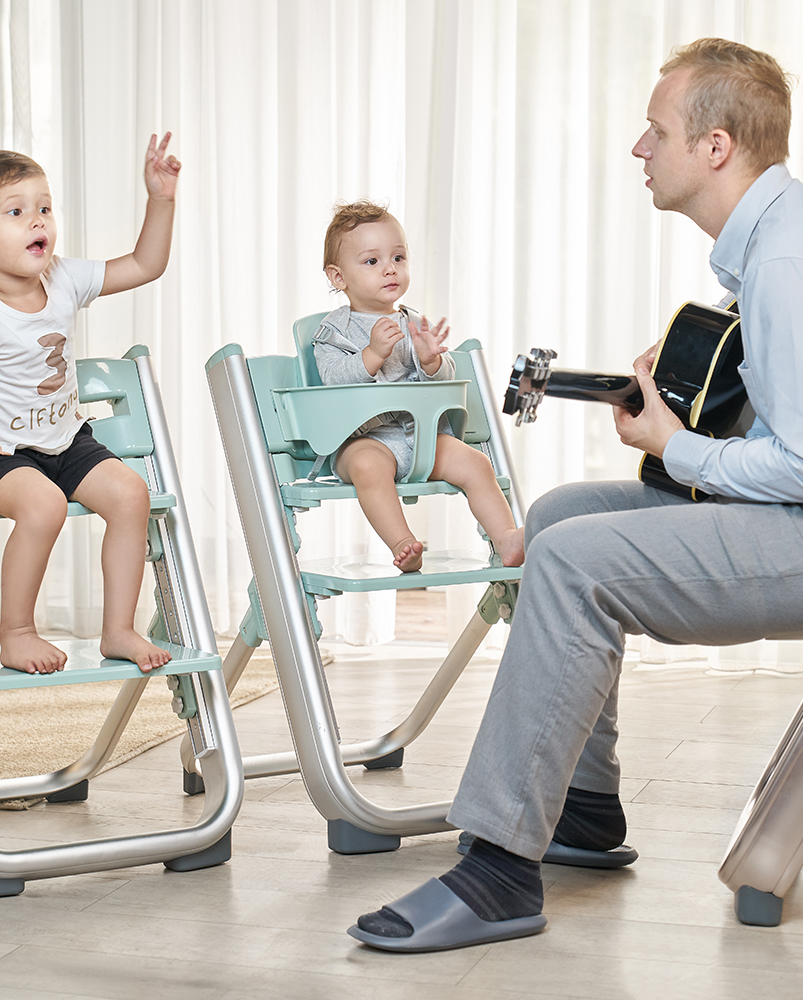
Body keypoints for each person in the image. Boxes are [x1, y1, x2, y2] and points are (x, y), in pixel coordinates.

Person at [350, 37, 803, 952]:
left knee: (571, 562)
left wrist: (678, 451)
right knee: (558, 517)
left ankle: (499, 870)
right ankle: (586, 810)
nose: (641, 149)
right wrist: (680, 426)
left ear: (715, 147)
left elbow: (799, 465)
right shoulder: (765, 247)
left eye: (657, 129)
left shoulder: (786, 259)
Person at [0, 136, 181, 676]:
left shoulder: (62, 278)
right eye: (16, 212)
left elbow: (144, 265)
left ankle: (118, 630)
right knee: (45, 506)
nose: (37, 220)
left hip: (65, 439)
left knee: (131, 494)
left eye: (43, 207)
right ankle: (16, 631)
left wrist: (161, 200)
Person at [314, 201, 524, 572]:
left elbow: (441, 383)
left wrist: (432, 361)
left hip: (420, 437)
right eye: (372, 261)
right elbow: (333, 380)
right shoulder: (334, 332)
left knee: (476, 463)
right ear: (338, 277)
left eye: (398, 257)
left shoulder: (413, 323)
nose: (390, 268)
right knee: (366, 466)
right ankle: (403, 544)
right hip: (363, 439)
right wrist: (372, 354)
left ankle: (505, 537)